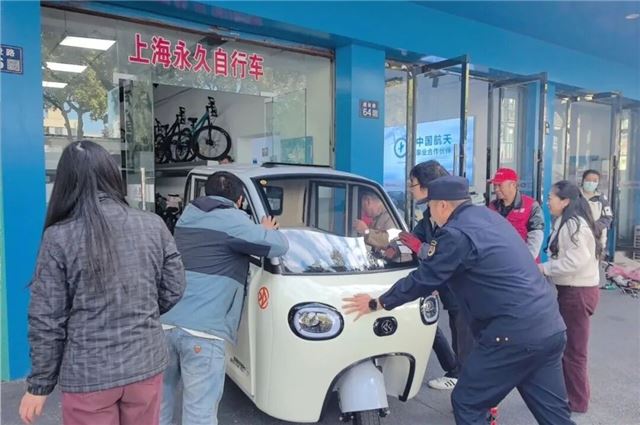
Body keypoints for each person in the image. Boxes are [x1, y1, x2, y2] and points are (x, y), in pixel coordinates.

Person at [343, 176, 574, 425]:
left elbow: (424, 278)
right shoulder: (489, 218)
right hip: (549, 327)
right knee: (554, 415)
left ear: (442, 205)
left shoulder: (455, 233)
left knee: (468, 402)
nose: (429, 213)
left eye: (430, 206)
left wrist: (378, 302)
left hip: (511, 334)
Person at [19, 141, 186, 425]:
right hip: (145, 365)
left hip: (88, 374)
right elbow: (175, 286)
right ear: (111, 175)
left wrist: (40, 385)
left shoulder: (59, 237)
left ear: (66, 182)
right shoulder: (153, 225)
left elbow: (46, 319)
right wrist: (139, 311)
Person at [160, 171, 289, 425]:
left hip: (165, 324)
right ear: (239, 200)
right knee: (199, 413)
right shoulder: (233, 220)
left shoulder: (188, 216)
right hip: (202, 332)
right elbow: (279, 245)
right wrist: (264, 229)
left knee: (159, 406)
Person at [396, 160, 474, 391]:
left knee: (465, 338)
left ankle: (464, 383)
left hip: (465, 290)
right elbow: (415, 237)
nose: (410, 189)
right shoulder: (429, 214)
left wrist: (419, 248)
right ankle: (462, 379)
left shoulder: (457, 221)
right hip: (449, 287)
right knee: (458, 332)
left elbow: (439, 252)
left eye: (412, 184)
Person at [540, 180, 601, 413]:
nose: (547, 202)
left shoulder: (574, 224)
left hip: (578, 292)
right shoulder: (566, 222)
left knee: (574, 351)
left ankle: (577, 401)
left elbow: (576, 261)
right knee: (568, 348)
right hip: (572, 291)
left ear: (565, 201)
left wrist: (545, 268)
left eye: (550, 198)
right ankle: (570, 395)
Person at [489, 167, 545, 259]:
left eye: (500, 185)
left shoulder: (531, 205)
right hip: (499, 261)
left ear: (513, 185)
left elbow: (536, 237)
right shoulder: (492, 206)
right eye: (495, 186)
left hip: (524, 262)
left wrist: (525, 260)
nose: (496, 189)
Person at [580, 169, 613, 259]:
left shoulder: (601, 198)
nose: (591, 183)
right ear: (583, 180)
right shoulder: (576, 196)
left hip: (596, 236)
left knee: (593, 260)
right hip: (578, 233)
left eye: (594, 181)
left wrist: (595, 227)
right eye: (588, 180)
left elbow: (608, 217)